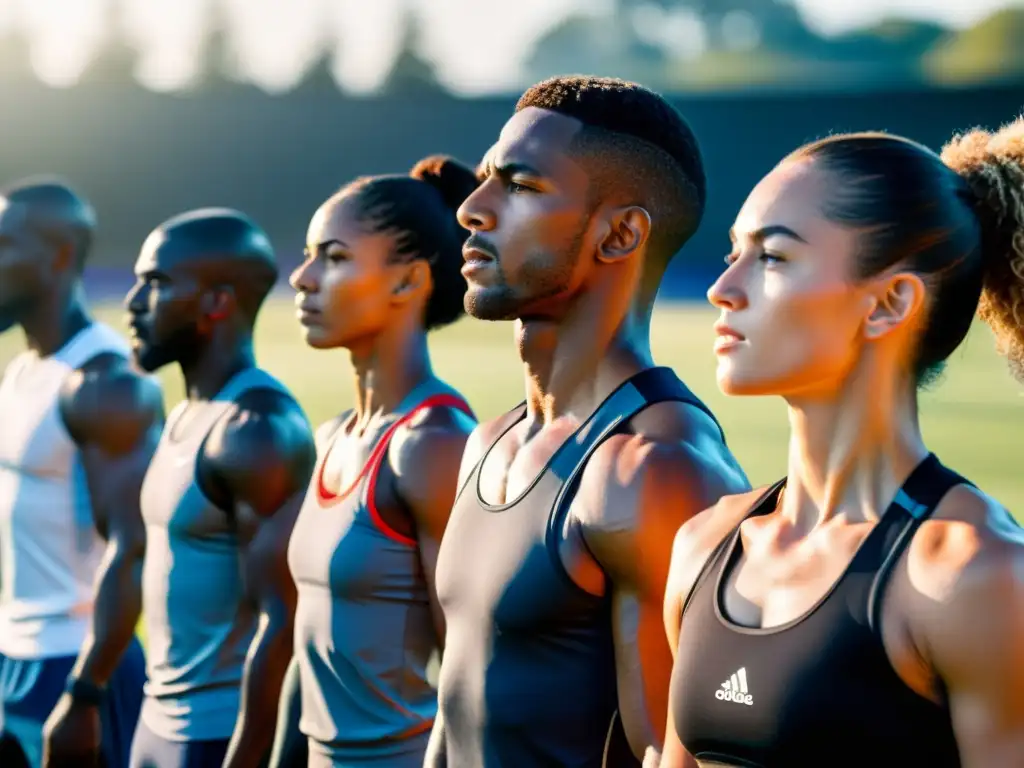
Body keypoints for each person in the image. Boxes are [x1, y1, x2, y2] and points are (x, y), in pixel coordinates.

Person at [659, 120, 1024, 768]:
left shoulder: (976, 576)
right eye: (732, 253)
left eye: (771, 257)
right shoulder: (704, 546)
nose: (723, 289)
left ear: (887, 303)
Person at [425, 76, 750, 767]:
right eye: (484, 179)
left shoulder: (659, 470)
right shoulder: (491, 441)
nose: (472, 210)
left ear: (620, 233)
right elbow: (454, 712)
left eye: (520, 186)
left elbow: (681, 751)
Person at [285, 155, 478, 767]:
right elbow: (310, 647)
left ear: (407, 282)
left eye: (334, 257)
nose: (303, 277)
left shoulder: (435, 444)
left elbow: (468, 670)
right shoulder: (331, 437)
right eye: (311, 254)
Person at [124, 208, 316, 768]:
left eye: (156, 284)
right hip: (155, 723)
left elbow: (283, 620)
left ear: (217, 303)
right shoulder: (189, 411)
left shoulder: (255, 430)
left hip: (217, 739)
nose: (134, 302)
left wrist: (247, 755)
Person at [0, 178, 158, 768]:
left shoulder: (105, 382)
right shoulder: (21, 372)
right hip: (15, 656)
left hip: (80, 669)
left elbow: (133, 547)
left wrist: (86, 692)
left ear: (59, 257)